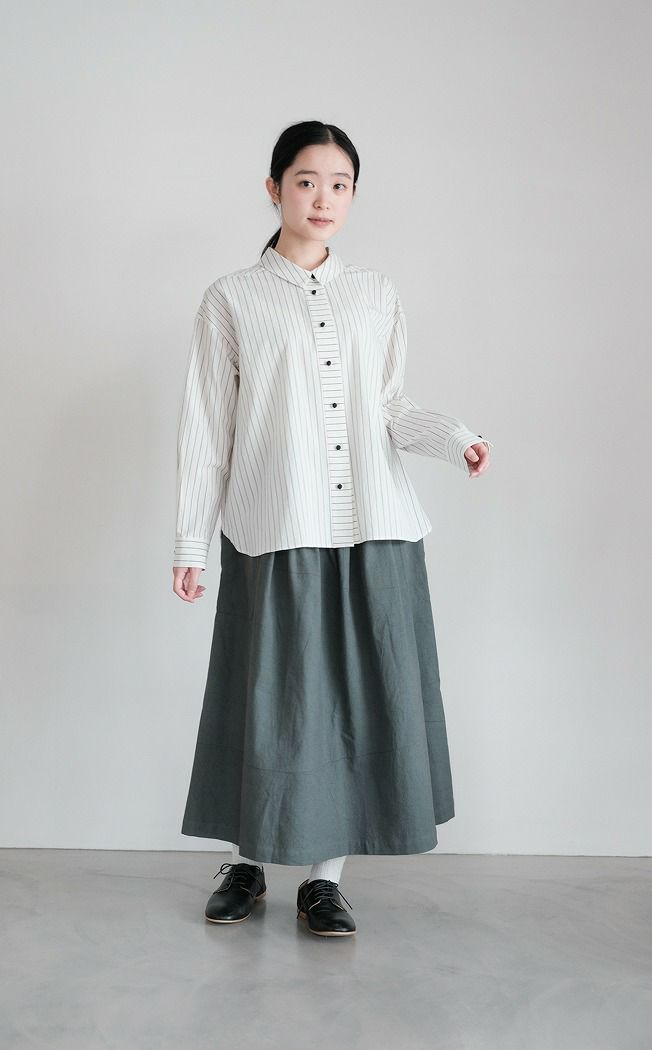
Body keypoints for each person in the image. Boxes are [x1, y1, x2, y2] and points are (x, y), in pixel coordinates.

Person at [172, 120, 493, 938]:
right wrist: (190, 542)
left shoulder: (375, 294)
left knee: (357, 706)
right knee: (270, 702)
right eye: (307, 180)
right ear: (274, 188)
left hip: (376, 529)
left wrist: (454, 438)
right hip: (277, 528)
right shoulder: (232, 299)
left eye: (341, 183)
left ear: (354, 194)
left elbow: (388, 405)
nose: (324, 198)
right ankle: (246, 863)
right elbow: (208, 430)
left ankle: (324, 881)